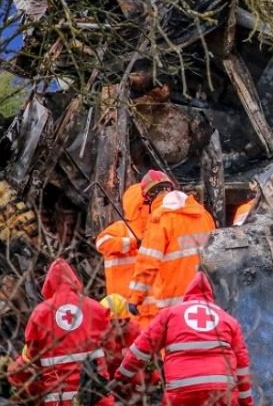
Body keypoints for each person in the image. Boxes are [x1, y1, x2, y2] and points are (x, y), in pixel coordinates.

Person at [114, 271, 253, 406]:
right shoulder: (228, 320)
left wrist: (121, 377)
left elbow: (141, 349)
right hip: (222, 392)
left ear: (187, 294)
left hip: (181, 390)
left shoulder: (169, 314)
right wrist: (246, 402)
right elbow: (242, 366)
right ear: (211, 296)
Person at [7, 259, 114, 405]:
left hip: (60, 398)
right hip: (96, 394)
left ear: (49, 283)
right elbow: (111, 348)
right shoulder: (96, 308)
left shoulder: (41, 313)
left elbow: (33, 355)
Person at [127, 170, 216, 326]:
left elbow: (148, 263)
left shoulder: (160, 219)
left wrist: (135, 297)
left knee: (177, 347)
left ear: (148, 198)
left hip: (175, 304)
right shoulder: (203, 215)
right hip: (207, 297)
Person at [96, 183, 149, 301]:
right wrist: (132, 243)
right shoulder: (121, 228)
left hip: (146, 303)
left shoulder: (154, 230)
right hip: (122, 302)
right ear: (139, 206)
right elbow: (102, 244)